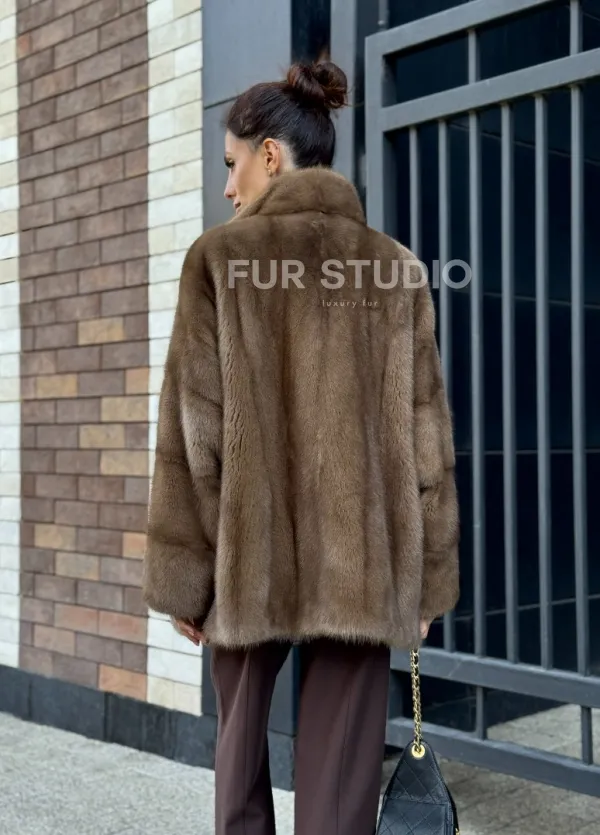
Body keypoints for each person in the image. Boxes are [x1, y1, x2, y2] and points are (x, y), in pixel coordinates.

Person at [142, 59, 459, 835]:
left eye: (232, 164)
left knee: (238, 759)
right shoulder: (397, 271)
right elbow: (426, 437)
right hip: (362, 561)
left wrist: (188, 582)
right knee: (342, 777)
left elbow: (192, 433)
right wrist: (427, 582)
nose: (229, 187)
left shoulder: (218, 262)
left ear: (271, 155)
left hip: (247, 557)